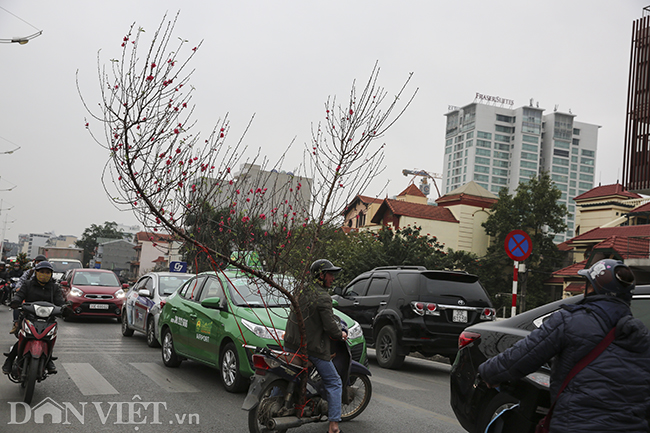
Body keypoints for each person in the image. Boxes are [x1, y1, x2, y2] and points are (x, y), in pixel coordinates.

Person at [478, 259, 650, 433]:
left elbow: (520, 357)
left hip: (576, 426)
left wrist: (487, 373)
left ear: (592, 288)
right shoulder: (641, 336)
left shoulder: (570, 321)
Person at [284, 259, 347, 433]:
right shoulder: (323, 297)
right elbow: (330, 327)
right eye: (330, 274)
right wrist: (340, 333)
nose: (333, 278)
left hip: (290, 343)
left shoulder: (299, 289)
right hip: (311, 349)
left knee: (287, 375)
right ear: (321, 275)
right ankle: (334, 425)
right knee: (335, 382)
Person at [2, 261, 66, 375]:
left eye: (47, 272)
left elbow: (60, 302)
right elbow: (19, 295)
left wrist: (65, 308)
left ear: (51, 274)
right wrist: (16, 301)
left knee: (50, 337)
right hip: (29, 316)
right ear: (36, 273)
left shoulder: (54, 287)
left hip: (48, 319)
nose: (44, 274)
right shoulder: (28, 284)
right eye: (42, 272)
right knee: (24, 337)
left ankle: (49, 359)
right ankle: (9, 360)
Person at [9, 255, 47, 334]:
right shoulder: (29, 273)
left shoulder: (50, 279)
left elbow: (58, 297)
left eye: (46, 273)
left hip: (42, 299)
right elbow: (21, 281)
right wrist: (18, 289)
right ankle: (16, 324)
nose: (43, 275)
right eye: (38, 262)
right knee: (17, 305)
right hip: (28, 295)